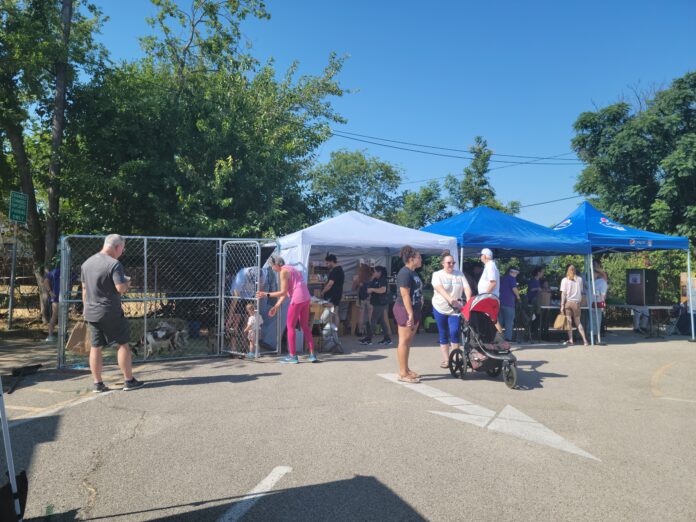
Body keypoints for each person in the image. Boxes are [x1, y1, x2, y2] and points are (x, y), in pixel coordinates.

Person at [81, 234, 144, 392]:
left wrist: (85, 308)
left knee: (96, 347)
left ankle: (98, 383)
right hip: (110, 311)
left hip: (91, 311)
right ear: (117, 247)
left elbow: (84, 289)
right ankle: (129, 380)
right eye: (122, 248)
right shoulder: (114, 264)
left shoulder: (87, 263)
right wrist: (127, 282)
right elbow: (120, 289)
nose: (122, 251)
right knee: (122, 345)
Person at [256, 256, 317, 364]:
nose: (272, 268)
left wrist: (265, 294)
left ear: (275, 264)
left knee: (290, 327)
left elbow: (283, 292)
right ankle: (312, 354)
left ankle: (292, 356)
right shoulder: (292, 269)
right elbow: (287, 292)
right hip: (306, 297)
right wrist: (276, 306)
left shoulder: (283, 272)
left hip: (297, 299)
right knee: (305, 326)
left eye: (271, 266)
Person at [431, 251, 471, 368]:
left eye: (453, 263)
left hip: (455, 309)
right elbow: (439, 288)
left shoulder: (459, 274)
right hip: (440, 307)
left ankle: (455, 358)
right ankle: (446, 360)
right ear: (443, 263)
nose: (451, 265)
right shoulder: (437, 274)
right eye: (449, 263)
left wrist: (468, 301)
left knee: (455, 332)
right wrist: (450, 299)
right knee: (443, 333)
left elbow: (466, 288)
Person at [393, 245, 423, 383]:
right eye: (419, 257)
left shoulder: (414, 273)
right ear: (411, 259)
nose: (421, 259)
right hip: (404, 309)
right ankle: (403, 373)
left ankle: (406, 368)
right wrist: (410, 314)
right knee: (404, 341)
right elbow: (405, 295)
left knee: (408, 341)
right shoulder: (404, 273)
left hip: (414, 309)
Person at [227, 266, 258, 351]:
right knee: (235, 324)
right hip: (238, 299)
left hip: (248, 298)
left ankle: (244, 347)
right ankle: (233, 349)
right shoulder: (242, 275)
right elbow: (235, 297)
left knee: (247, 323)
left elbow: (259, 290)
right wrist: (230, 317)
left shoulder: (260, 272)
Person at [359, 266, 392, 345]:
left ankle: (368, 339)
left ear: (379, 272)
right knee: (382, 321)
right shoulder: (376, 280)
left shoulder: (382, 280)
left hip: (380, 303)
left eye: (375, 271)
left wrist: (372, 290)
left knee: (373, 320)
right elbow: (369, 287)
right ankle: (387, 339)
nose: (373, 273)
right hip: (376, 302)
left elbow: (383, 290)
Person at [560, 264, 589, 346]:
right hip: (576, 303)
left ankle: (571, 340)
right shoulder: (579, 279)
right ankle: (585, 341)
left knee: (569, 322)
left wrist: (562, 305)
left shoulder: (564, 280)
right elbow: (581, 291)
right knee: (578, 323)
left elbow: (563, 294)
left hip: (568, 303)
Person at [321, 253, 344, 327]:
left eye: (327, 263)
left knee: (332, 314)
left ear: (331, 261)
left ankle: (332, 331)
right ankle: (334, 331)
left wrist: (323, 292)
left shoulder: (335, 271)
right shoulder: (340, 269)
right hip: (337, 294)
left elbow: (330, 284)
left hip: (333, 295)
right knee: (335, 313)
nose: (326, 265)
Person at [499, 267, 521, 342]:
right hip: (509, 303)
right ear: (513, 272)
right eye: (516, 273)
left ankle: (497, 337)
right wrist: (518, 297)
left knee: (499, 321)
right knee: (509, 322)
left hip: (500, 302)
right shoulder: (512, 279)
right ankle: (508, 338)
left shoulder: (502, 278)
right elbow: (514, 289)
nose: (517, 275)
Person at [352, 264, 373, 337]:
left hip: (361, 298)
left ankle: (360, 331)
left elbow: (353, 288)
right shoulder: (371, 277)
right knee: (370, 315)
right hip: (370, 298)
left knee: (361, 315)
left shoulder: (358, 278)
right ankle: (370, 331)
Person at [43, 261, 61, 342]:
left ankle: (61, 334)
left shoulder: (69, 272)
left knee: (59, 316)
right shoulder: (54, 272)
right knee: (55, 315)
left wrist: (50, 292)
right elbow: (45, 281)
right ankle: (50, 335)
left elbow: (45, 281)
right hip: (56, 297)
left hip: (60, 296)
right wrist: (50, 292)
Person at [527, 267, 545, 339]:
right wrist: (537, 289)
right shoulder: (533, 280)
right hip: (532, 302)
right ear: (538, 273)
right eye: (542, 272)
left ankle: (534, 332)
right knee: (535, 317)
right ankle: (532, 332)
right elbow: (531, 289)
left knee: (537, 318)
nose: (543, 274)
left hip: (536, 301)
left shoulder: (538, 281)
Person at [592, 269, 608, 340]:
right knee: (597, 319)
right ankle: (595, 335)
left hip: (595, 302)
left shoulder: (598, 282)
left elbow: (602, 294)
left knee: (595, 319)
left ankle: (594, 334)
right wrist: (603, 303)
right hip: (595, 302)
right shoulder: (602, 282)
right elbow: (603, 295)